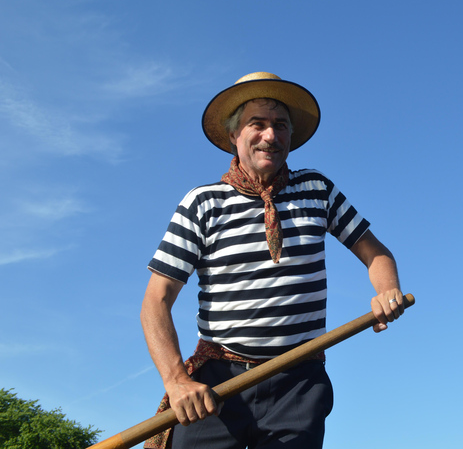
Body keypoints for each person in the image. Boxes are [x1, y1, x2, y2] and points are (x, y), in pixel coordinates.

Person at [140, 72, 404, 449]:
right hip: (218, 382)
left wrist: (387, 290)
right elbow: (155, 302)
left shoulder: (317, 189)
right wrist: (176, 380)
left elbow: (376, 252)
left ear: (291, 136)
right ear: (234, 135)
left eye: (280, 126)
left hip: (298, 381)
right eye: (257, 124)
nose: (270, 136)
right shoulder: (202, 203)